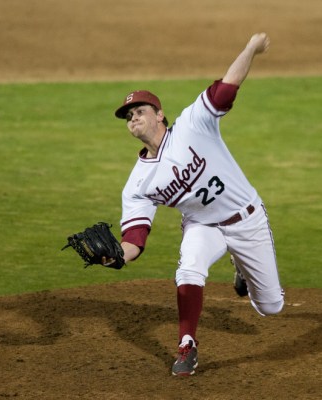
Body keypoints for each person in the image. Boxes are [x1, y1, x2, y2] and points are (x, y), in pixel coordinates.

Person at [112, 32, 284, 376]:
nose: (133, 117)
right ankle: (186, 345)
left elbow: (227, 87)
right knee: (188, 268)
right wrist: (113, 257)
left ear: (160, 115)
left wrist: (250, 48)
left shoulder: (193, 124)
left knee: (271, 307)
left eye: (140, 110)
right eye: (129, 115)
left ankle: (242, 266)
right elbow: (134, 241)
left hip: (246, 219)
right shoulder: (137, 184)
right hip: (203, 226)